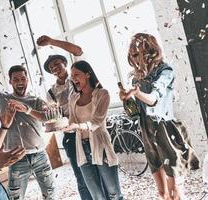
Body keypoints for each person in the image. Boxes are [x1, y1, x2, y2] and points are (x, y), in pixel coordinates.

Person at [0, 38, 55, 200]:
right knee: (15, 197)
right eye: (16, 79)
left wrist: (28, 109)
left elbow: (47, 118)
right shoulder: (2, 99)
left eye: (23, 79)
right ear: (10, 82)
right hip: (16, 158)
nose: (20, 82)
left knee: (50, 194)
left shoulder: (36, 101)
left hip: (39, 155)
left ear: (27, 80)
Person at [119, 33, 199, 200]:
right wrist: (127, 101)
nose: (136, 59)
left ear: (151, 51)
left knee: (175, 192)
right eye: (133, 55)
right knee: (163, 193)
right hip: (147, 133)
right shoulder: (136, 78)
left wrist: (138, 92)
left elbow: (154, 99)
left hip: (166, 132)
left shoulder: (165, 71)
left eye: (139, 53)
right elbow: (134, 114)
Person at [36, 35, 93, 200]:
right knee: (81, 176)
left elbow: (78, 51)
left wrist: (51, 42)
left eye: (57, 64)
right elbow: (53, 115)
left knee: (98, 169)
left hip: (88, 130)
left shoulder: (79, 76)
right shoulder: (51, 92)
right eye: (51, 67)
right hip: (70, 135)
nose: (55, 68)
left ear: (65, 64)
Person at [62, 60, 123, 200]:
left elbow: (96, 122)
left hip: (101, 147)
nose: (73, 78)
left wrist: (76, 126)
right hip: (82, 149)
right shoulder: (73, 98)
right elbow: (72, 122)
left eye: (77, 74)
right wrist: (63, 126)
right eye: (72, 75)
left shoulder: (102, 94)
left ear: (88, 74)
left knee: (114, 194)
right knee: (96, 196)